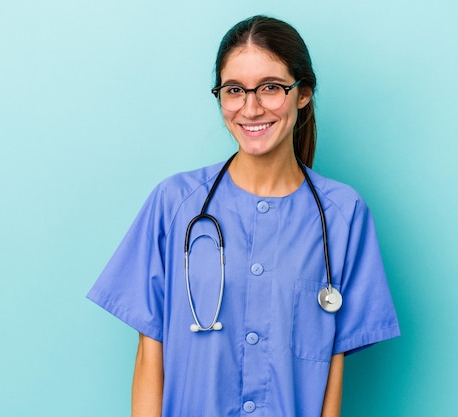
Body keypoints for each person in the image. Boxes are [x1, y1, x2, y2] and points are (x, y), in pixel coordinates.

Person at [87, 15, 400, 417]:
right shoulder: (174, 204)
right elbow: (150, 354)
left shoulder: (343, 215)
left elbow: (333, 369)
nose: (250, 108)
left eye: (270, 88)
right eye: (235, 90)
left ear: (302, 93)